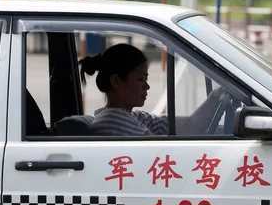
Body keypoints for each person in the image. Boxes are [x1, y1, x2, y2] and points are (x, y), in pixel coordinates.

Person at [78, 43, 227, 136]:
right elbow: (160, 150)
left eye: (146, 79)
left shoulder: (135, 117)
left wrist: (217, 94)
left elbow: (191, 125)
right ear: (116, 81)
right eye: (140, 79)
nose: (147, 86)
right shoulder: (113, 120)